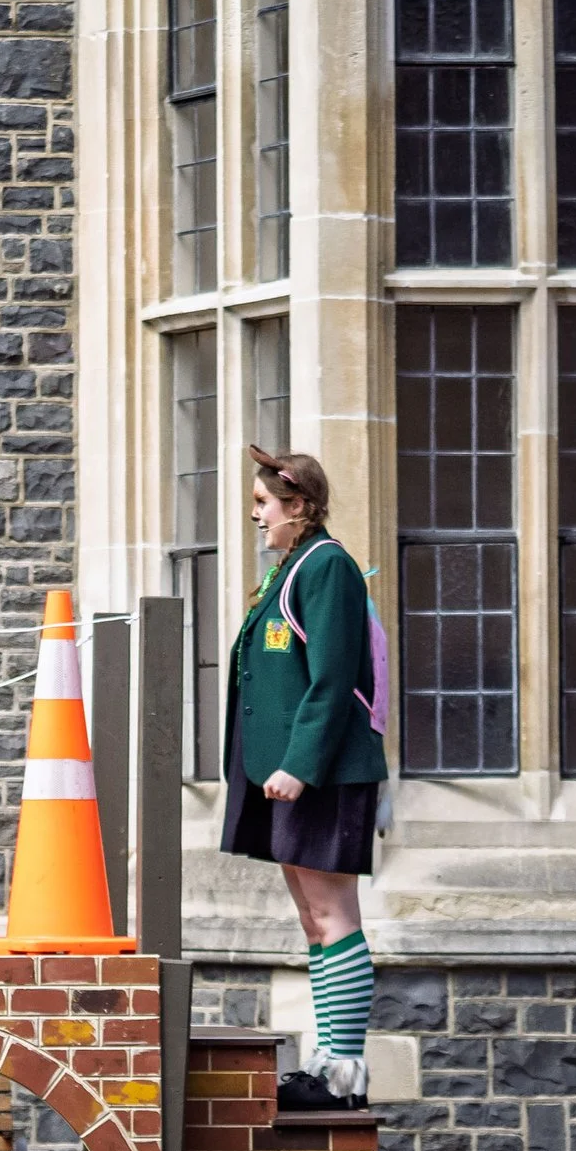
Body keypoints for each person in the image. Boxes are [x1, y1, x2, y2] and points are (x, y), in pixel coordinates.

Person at [222, 447, 389, 1110]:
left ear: (299, 506)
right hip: (288, 768)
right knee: (312, 917)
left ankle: (344, 1075)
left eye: (264, 503)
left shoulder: (327, 567)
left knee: (332, 913)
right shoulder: (295, 566)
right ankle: (326, 1062)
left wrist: (300, 765)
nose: (256, 515)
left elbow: (333, 677)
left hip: (323, 772)